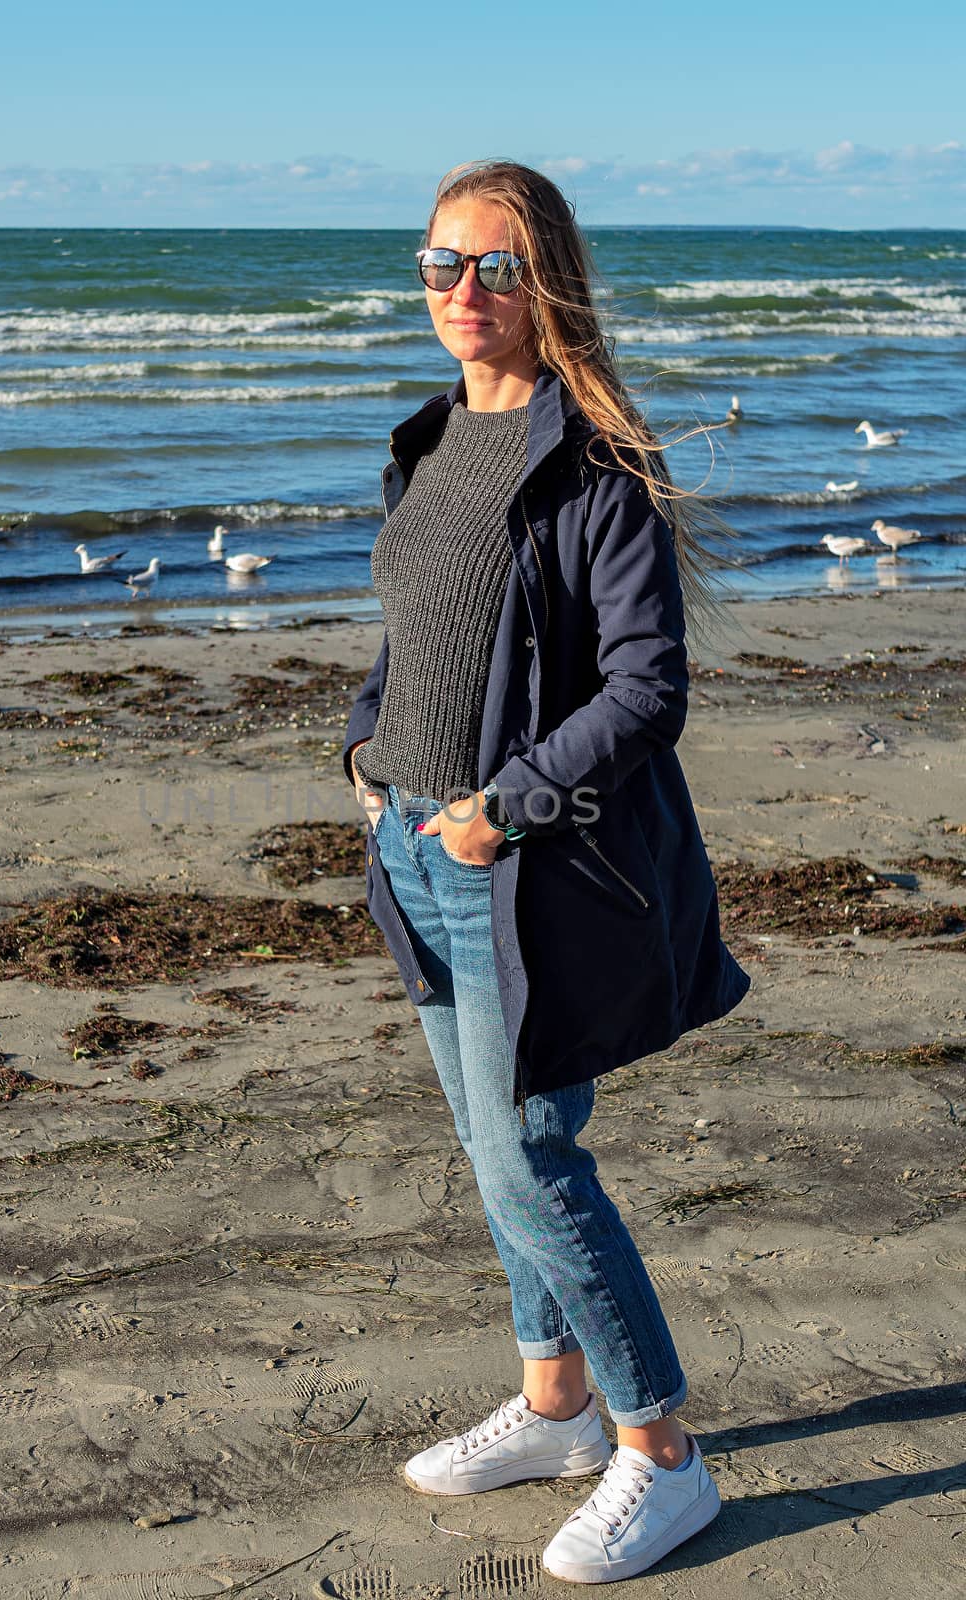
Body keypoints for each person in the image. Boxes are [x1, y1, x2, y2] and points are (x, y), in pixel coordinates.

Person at [341, 159, 751, 1585]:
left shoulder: (595, 464)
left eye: (494, 268)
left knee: (534, 1167)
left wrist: (503, 810)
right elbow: (413, 628)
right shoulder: (432, 442)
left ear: (548, 281)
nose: (463, 294)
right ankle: (557, 1404)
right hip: (414, 838)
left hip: (514, 865)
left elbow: (648, 692)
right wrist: (365, 747)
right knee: (490, 1155)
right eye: (440, 265)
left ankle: (662, 1453)